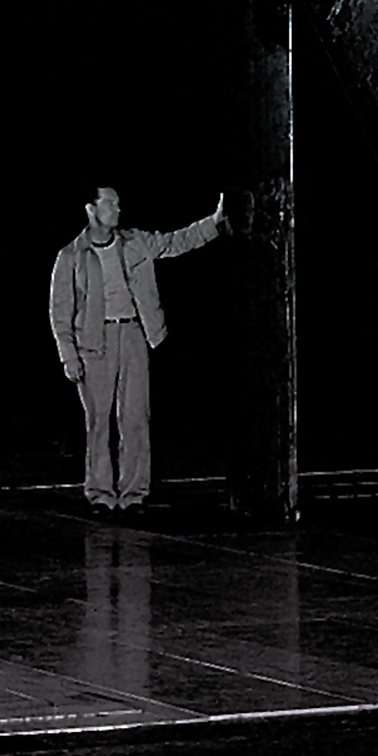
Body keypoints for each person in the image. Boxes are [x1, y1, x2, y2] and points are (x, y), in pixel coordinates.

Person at [48, 183, 225, 513]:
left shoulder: (135, 242)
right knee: (98, 421)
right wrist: (68, 356)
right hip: (93, 342)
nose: (117, 209)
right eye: (110, 203)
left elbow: (175, 242)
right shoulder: (72, 256)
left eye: (118, 204)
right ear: (91, 208)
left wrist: (214, 220)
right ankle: (100, 493)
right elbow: (59, 311)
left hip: (132, 334)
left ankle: (133, 495)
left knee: (135, 419)